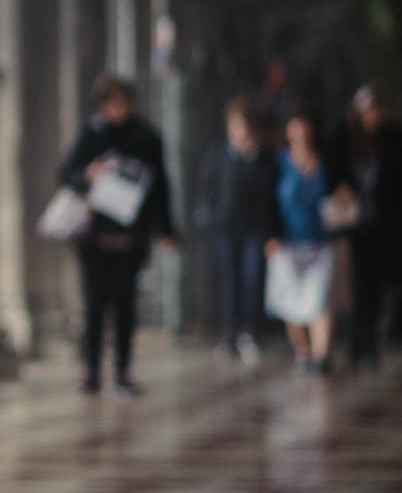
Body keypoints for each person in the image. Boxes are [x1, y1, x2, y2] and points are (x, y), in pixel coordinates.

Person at [58, 75, 178, 396]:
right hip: (94, 236)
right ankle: (91, 370)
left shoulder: (146, 138)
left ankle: (123, 371)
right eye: (112, 103)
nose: (118, 109)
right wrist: (88, 174)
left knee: (125, 305)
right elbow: (66, 173)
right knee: (94, 305)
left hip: (131, 235)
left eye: (124, 102)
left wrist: (166, 230)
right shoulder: (91, 134)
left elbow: (161, 188)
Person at [193, 98, 278, 365]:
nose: (243, 131)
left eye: (247, 126)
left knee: (252, 279)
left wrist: (252, 159)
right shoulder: (218, 154)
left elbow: (269, 194)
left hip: (255, 229)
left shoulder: (263, 158)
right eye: (238, 125)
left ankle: (249, 333)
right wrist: (209, 219)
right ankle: (230, 334)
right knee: (229, 282)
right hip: (225, 229)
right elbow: (207, 189)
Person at [266, 112, 350, 374]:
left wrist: (342, 233)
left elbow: (342, 197)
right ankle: (302, 352)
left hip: (322, 241)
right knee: (292, 301)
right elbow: (266, 200)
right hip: (288, 243)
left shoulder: (328, 163)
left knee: (321, 300)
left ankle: (321, 354)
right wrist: (270, 235)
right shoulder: (278, 162)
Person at [343, 84, 402, 370]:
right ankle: (355, 342)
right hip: (351, 226)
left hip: (381, 227)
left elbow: (399, 180)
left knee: (374, 288)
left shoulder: (392, 141)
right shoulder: (347, 142)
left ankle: (370, 344)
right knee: (354, 286)